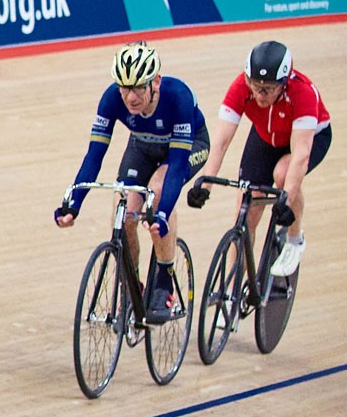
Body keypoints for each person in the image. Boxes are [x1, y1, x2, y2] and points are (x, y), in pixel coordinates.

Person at [55, 41, 210, 323]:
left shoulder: (179, 97)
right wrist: (73, 204)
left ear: (156, 82)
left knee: (160, 190)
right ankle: (133, 285)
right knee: (124, 211)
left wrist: (161, 214)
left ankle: (163, 282)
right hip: (143, 147)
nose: (131, 97)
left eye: (139, 87)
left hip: (186, 148)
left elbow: (176, 167)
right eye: (124, 88)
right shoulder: (111, 99)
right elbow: (94, 156)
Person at [188, 41, 331, 276]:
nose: (260, 94)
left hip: (308, 137)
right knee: (245, 215)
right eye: (256, 86)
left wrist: (287, 201)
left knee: (283, 175)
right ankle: (231, 292)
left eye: (269, 88)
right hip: (266, 136)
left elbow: (300, 156)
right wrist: (206, 183)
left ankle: (295, 239)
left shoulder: (303, 93)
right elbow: (221, 142)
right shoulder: (240, 88)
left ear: (284, 84)